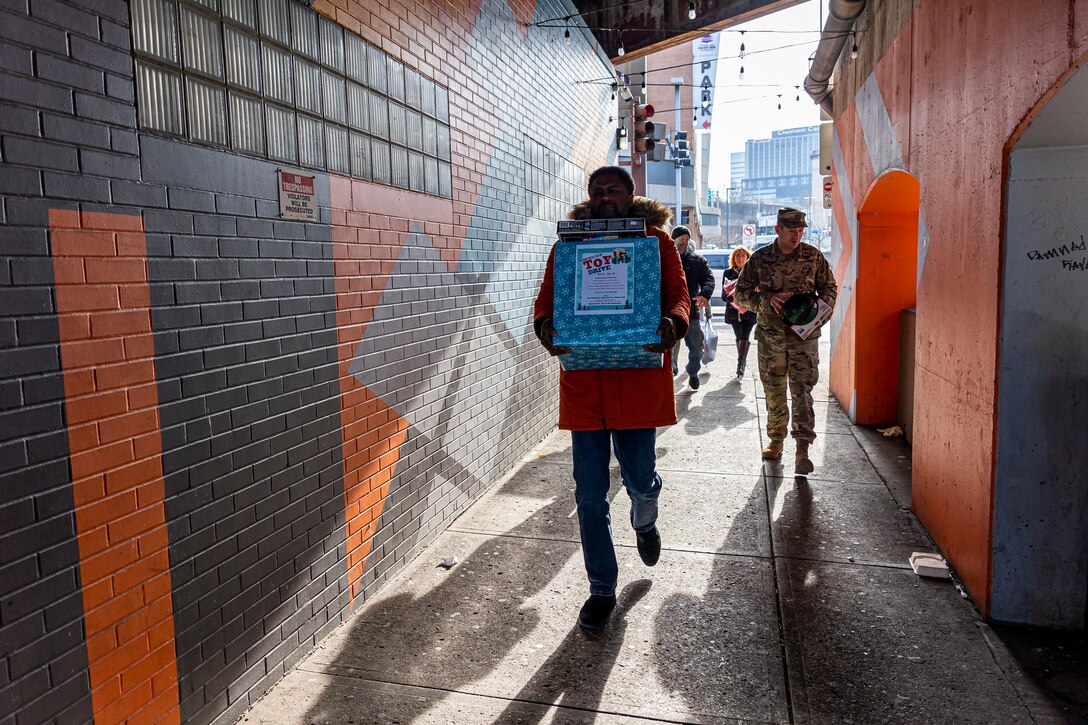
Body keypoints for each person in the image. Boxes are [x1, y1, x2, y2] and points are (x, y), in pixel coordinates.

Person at [533, 166, 690, 632]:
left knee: (641, 480)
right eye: (598, 191)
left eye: (614, 191)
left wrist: (671, 325)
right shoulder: (569, 247)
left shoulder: (655, 243)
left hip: (638, 379)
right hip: (587, 385)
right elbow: (546, 302)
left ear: (629, 196)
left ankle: (644, 521)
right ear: (589, 198)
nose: (605, 198)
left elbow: (678, 296)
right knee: (589, 495)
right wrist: (547, 328)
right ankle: (602, 588)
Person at [733, 208, 837, 475]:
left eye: (801, 231)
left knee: (802, 391)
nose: (797, 236)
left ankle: (803, 449)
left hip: (804, 339)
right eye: (792, 231)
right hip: (771, 338)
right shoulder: (760, 259)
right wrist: (766, 301)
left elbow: (829, 288)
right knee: (775, 390)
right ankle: (776, 441)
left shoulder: (813, 256)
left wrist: (819, 313)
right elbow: (741, 294)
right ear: (778, 229)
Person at [669, 226, 715, 390]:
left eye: (686, 240)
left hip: (690, 310)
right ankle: (671, 368)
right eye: (680, 239)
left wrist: (705, 294)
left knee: (696, 345)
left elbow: (708, 278)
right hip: (668, 310)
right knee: (668, 342)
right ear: (673, 240)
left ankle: (693, 371)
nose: (684, 243)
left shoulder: (697, 260)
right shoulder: (664, 257)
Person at [722, 246, 757, 377]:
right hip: (733, 311)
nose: (740, 258)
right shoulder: (728, 273)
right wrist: (728, 295)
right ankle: (742, 360)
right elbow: (723, 294)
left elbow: (757, 291)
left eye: (743, 256)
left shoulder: (752, 273)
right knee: (738, 337)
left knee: (744, 336)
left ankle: (740, 363)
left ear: (748, 258)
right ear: (733, 258)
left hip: (749, 311)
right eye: (737, 256)